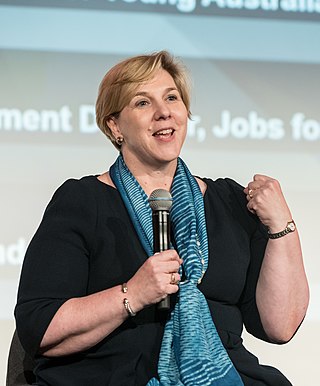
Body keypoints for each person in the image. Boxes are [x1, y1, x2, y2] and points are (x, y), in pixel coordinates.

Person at [14, 51, 309, 386]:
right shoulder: (81, 201)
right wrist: (132, 294)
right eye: (142, 103)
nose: (164, 112)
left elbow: (280, 326)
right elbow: (40, 328)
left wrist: (282, 227)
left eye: (172, 98)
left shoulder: (229, 201)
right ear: (114, 125)